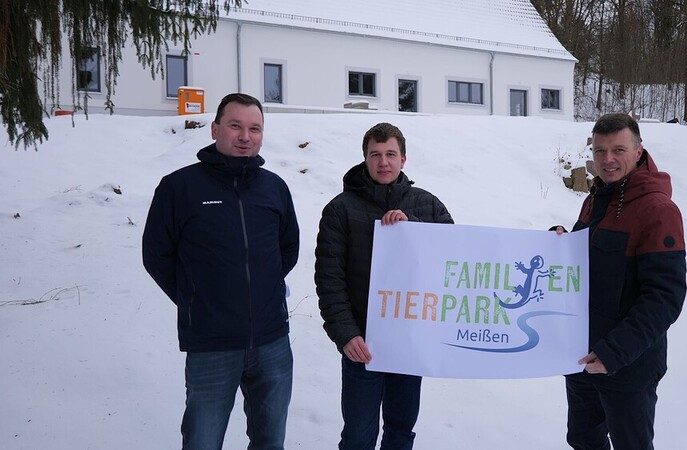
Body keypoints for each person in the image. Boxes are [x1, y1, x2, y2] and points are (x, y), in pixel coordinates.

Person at [142, 93, 300, 450]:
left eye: (254, 128)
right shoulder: (179, 187)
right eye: (235, 126)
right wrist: (196, 299)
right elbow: (156, 255)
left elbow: (287, 248)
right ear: (215, 129)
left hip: (272, 341)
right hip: (211, 344)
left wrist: (265, 289)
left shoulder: (274, 187)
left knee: (270, 442)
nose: (245, 136)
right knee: (203, 441)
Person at [314, 122, 453, 450]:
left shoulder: (428, 205)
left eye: (391, 154)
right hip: (363, 345)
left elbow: (451, 259)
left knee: (401, 431)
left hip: (409, 344)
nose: (383, 162)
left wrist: (412, 228)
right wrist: (346, 334)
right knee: (358, 436)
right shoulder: (340, 209)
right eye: (375, 155)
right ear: (365, 158)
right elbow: (329, 279)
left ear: (404, 158)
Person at [555, 112, 686, 450]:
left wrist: (613, 353)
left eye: (618, 150)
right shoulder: (595, 200)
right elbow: (587, 265)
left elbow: (664, 297)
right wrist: (560, 245)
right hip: (582, 357)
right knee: (583, 439)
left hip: (626, 365)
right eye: (600, 150)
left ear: (638, 151)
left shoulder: (658, 210)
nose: (607, 159)